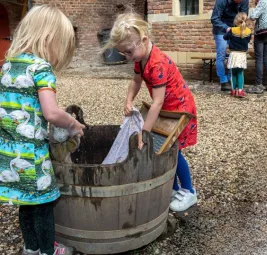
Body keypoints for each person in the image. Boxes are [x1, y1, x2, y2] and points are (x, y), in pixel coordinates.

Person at [0, 5, 85, 255]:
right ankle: (48, 251)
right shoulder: (41, 68)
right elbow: (51, 113)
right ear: (49, 39)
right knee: (45, 204)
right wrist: (73, 123)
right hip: (33, 155)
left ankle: (31, 248)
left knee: (26, 204)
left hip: (9, 152)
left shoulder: (8, 65)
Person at [103, 12, 198, 212]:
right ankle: (172, 188)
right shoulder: (140, 59)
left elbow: (157, 102)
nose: (128, 58)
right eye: (124, 54)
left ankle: (189, 192)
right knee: (161, 150)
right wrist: (129, 100)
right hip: (165, 109)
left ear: (144, 40)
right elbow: (136, 81)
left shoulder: (157, 64)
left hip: (179, 110)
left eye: (129, 52)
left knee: (174, 151)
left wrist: (144, 132)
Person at [211, 0, 249, 91]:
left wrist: (239, 29)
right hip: (221, 28)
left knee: (235, 53)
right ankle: (223, 81)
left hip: (235, 28)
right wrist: (226, 28)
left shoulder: (244, 1)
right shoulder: (221, 1)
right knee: (221, 54)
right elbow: (214, 18)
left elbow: (244, 16)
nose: (239, 2)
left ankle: (230, 79)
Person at [224, 12, 251, 97]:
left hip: (233, 54)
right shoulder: (248, 31)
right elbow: (248, 40)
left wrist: (228, 31)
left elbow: (225, 37)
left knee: (233, 73)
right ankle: (240, 91)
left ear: (236, 21)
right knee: (240, 73)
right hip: (242, 55)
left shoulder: (232, 30)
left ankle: (233, 90)